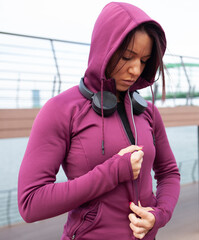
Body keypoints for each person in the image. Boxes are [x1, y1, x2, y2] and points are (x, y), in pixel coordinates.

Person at [17, 2, 180, 240]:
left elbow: (169, 173)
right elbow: (31, 203)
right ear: (106, 49)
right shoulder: (61, 110)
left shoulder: (148, 112)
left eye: (144, 60)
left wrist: (159, 214)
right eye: (127, 57)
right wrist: (113, 171)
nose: (136, 70)